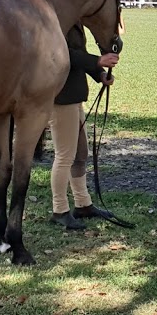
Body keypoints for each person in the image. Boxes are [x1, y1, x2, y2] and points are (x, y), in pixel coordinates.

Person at [49, 26, 121, 229]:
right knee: (64, 155)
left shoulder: (73, 18)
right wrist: (97, 61)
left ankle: (83, 204)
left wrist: (99, 74)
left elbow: (78, 55)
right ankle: (59, 209)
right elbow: (62, 54)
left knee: (80, 154)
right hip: (61, 96)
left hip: (74, 95)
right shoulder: (59, 19)